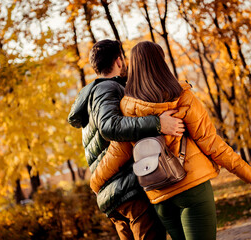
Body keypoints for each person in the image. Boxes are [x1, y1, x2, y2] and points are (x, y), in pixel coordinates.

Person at [90, 41, 251, 240]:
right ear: (161, 63)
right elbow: (211, 142)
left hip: (160, 196)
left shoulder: (127, 108)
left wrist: (95, 183)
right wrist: (247, 173)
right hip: (192, 188)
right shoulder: (181, 96)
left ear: (134, 67)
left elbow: (117, 153)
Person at [67, 39, 185, 240]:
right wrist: (157, 123)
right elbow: (109, 127)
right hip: (128, 188)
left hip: (112, 193)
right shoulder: (106, 89)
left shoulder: (91, 96)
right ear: (119, 61)